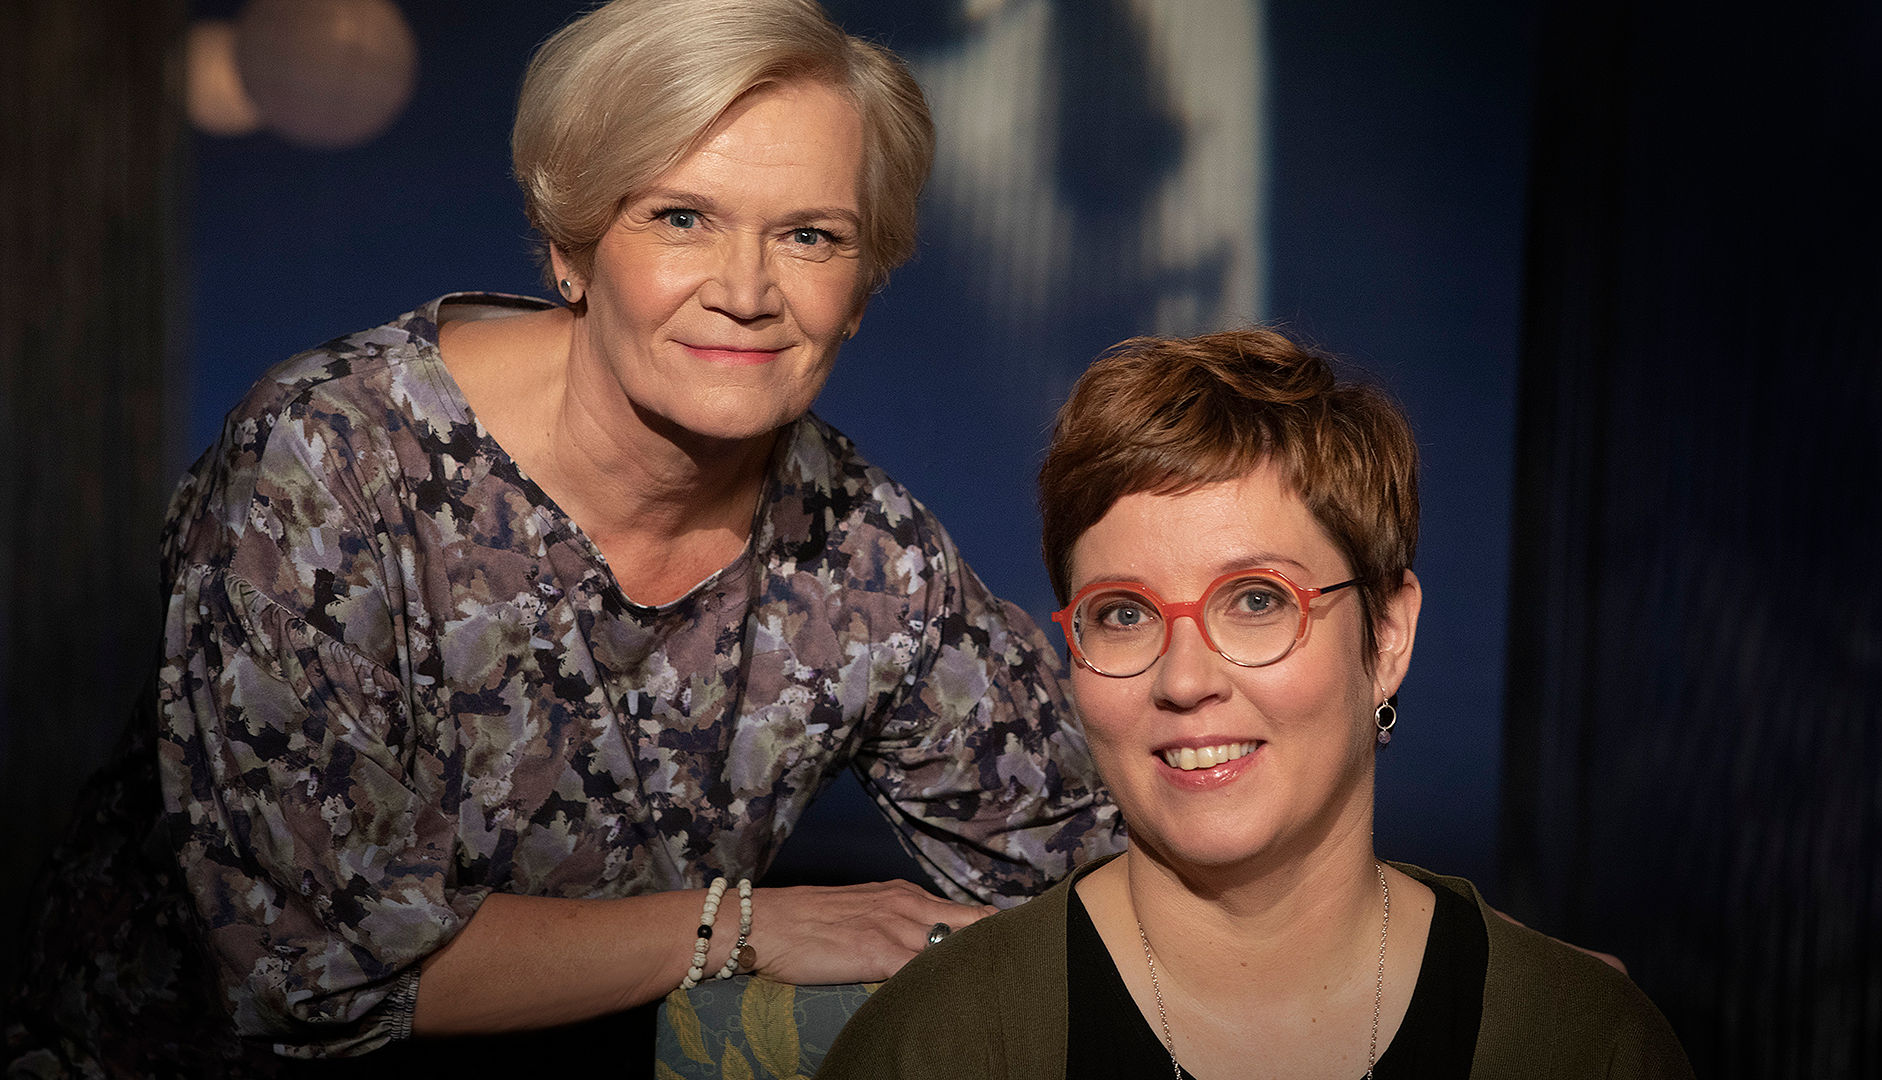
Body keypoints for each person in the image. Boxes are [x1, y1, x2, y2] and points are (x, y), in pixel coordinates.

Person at [1, 1, 1118, 1074]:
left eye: (810, 236)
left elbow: (1086, 864)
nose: (746, 290)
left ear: (862, 289)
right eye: (680, 218)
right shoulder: (327, 460)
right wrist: (739, 927)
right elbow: (317, 967)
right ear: (569, 250)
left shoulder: (869, 556)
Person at [818, 328, 1694, 1078]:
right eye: (1123, 614)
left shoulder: (1585, 1045)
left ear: (1387, 636)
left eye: (1257, 600)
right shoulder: (943, 1044)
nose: (1184, 679)